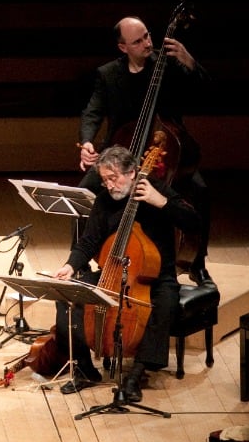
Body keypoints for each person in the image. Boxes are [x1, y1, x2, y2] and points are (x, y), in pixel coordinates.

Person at [52, 145, 201, 401]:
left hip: (155, 277)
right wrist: (70, 266)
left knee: (164, 304)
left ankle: (136, 375)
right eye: (104, 179)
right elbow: (89, 241)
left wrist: (161, 203)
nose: (109, 185)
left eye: (114, 178)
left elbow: (195, 222)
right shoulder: (104, 199)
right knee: (66, 295)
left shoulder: (157, 191)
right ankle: (85, 368)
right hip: (112, 272)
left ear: (132, 172)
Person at [76, 15, 214, 285]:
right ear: (123, 47)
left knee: (200, 190)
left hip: (162, 152)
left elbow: (207, 91)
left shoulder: (169, 66)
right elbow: (92, 111)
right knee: (82, 193)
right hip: (120, 151)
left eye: (147, 36)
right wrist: (88, 141)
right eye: (137, 41)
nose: (147, 44)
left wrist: (188, 60)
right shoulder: (108, 74)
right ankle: (81, 263)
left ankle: (197, 263)